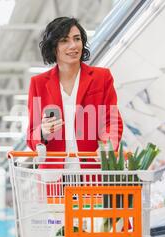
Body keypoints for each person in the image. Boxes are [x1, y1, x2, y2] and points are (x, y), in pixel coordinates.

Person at [26, 17, 123, 169]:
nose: (73, 45)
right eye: (64, 40)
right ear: (53, 47)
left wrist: (107, 144)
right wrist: (43, 132)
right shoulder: (38, 84)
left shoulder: (102, 77)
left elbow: (112, 121)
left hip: (93, 172)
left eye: (77, 39)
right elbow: (31, 135)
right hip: (55, 177)